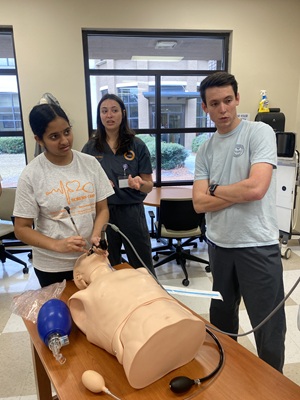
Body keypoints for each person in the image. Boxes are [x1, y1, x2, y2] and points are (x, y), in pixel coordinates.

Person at [192, 72, 286, 372]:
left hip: (258, 246)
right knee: (221, 321)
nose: (223, 110)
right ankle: (228, 377)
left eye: (228, 101)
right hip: (219, 246)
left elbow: (257, 189)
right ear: (205, 107)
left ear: (237, 99)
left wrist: (216, 189)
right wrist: (238, 191)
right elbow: (198, 202)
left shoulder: (259, 133)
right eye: (214, 103)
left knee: (268, 327)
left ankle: (274, 387)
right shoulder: (205, 149)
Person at [69, 252, 205, 388]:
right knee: (138, 329)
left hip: (177, 319)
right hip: (142, 340)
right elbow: (89, 329)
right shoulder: (86, 295)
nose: (91, 251)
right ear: (79, 277)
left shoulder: (138, 271)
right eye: (86, 256)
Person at [13, 103, 114, 288]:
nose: (64, 141)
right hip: (53, 267)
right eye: (54, 136)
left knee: (96, 312)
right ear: (39, 139)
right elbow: (21, 228)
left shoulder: (90, 163)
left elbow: (102, 209)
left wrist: (96, 234)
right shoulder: (31, 174)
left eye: (67, 132)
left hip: (91, 260)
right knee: (65, 314)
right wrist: (57, 245)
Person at [82, 93, 155, 274]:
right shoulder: (91, 147)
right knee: (107, 264)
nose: (109, 115)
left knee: (142, 264)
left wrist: (139, 183)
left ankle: (147, 297)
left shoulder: (136, 145)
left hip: (132, 212)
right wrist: (97, 183)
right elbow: (82, 182)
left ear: (122, 113)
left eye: (114, 110)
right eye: (104, 111)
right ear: (99, 116)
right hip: (102, 213)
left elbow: (149, 184)